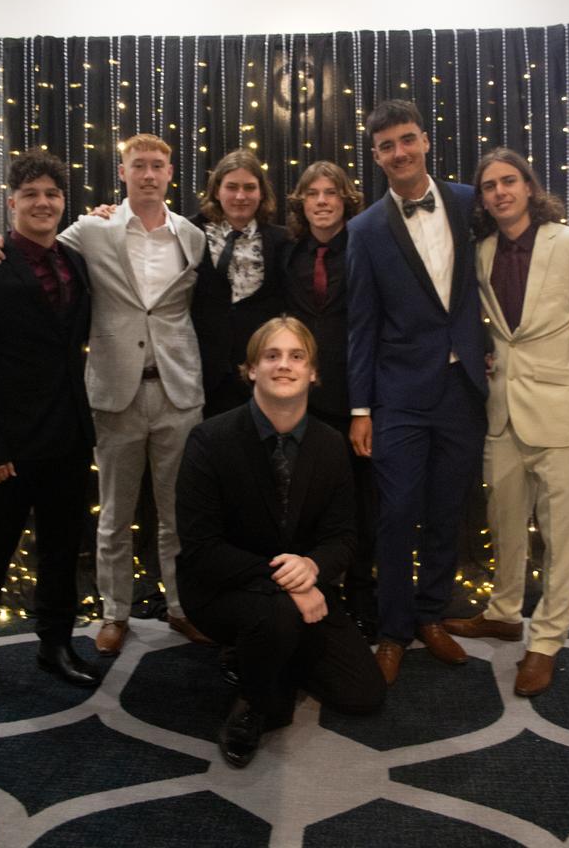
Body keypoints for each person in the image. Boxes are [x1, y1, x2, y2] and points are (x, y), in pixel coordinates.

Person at [0, 134, 208, 657]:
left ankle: (183, 607)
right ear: (122, 173)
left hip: (177, 392)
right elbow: (28, 243)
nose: (147, 173)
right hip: (111, 395)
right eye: (137, 165)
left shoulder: (193, 236)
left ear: (170, 173)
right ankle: (114, 613)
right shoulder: (91, 232)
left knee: (178, 514)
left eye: (157, 165)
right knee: (114, 516)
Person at [175, 317, 386, 768]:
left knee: (362, 694)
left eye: (296, 356)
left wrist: (313, 567)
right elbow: (200, 547)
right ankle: (251, 701)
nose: (283, 365)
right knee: (274, 636)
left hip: (305, 585)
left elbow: (344, 537)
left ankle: (266, 655)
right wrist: (292, 581)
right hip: (224, 590)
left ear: (313, 373)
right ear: (251, 369)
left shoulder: (330, 446)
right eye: (271, 356)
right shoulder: (209, 440)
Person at [443, 148, 569, 696]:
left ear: (530, 187)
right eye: (489, 186)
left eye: (509, 181)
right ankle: (505, 610)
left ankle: (547, 641)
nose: (499, 192)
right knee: (504, 519)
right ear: (483, 198)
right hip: (502, 410)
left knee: (563, 536)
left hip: (562, 413)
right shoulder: (481, 251)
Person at [346, 99, 488, 685]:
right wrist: (360, 407)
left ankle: (432, 616)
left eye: (407, 139)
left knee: (446, 509)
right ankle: (392, 629)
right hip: (399, 392)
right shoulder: (365, 229)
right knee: (398, 512)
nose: (399, 153)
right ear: (376, 156)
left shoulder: (465, 200)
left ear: (425, 140)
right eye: (386, 146)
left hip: (464, 388)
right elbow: (362, 324)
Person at [0, 150, 98, 708]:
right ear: (11, 202)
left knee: (62, 551)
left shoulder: (74, 263)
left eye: (53, 195)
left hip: (66, 436)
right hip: (6, 446)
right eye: (32, 194)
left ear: (64, 204)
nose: (43, 203)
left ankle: (55, 645)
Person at [282, 162, 377, 640]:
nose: (322, 201)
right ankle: (311, 593)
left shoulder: (367, 247)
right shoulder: (288, 250)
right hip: (299, 402)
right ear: (301, 202)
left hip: (355, 400)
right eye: (313, 193)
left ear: (346, 200)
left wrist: (366, 405)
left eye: (331, 193)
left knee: (361, 504)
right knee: (302, 502)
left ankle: (362, 596)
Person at [190, 149, 287, 417]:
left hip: (261, 374)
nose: (240, 196)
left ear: (261, 192)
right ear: (217, 190)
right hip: (202, 376)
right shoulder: (188, 232)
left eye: (249, 187)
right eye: (231, 187)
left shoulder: (282, 241)